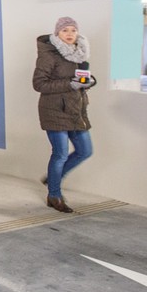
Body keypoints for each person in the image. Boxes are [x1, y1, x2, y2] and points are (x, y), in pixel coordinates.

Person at [33, 16, 95, 213]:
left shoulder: (80, 53)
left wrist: (89, 82)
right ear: (57, 33)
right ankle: (54, 195)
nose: (69, 34)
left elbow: (80, 79)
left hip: (76, 110)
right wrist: (70, 84)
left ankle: (53, 178)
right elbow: (39, 84)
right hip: (54, 111)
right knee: (59, 154)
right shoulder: (49, 55)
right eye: (65, 30)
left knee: (85, 150)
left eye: (73, 30)